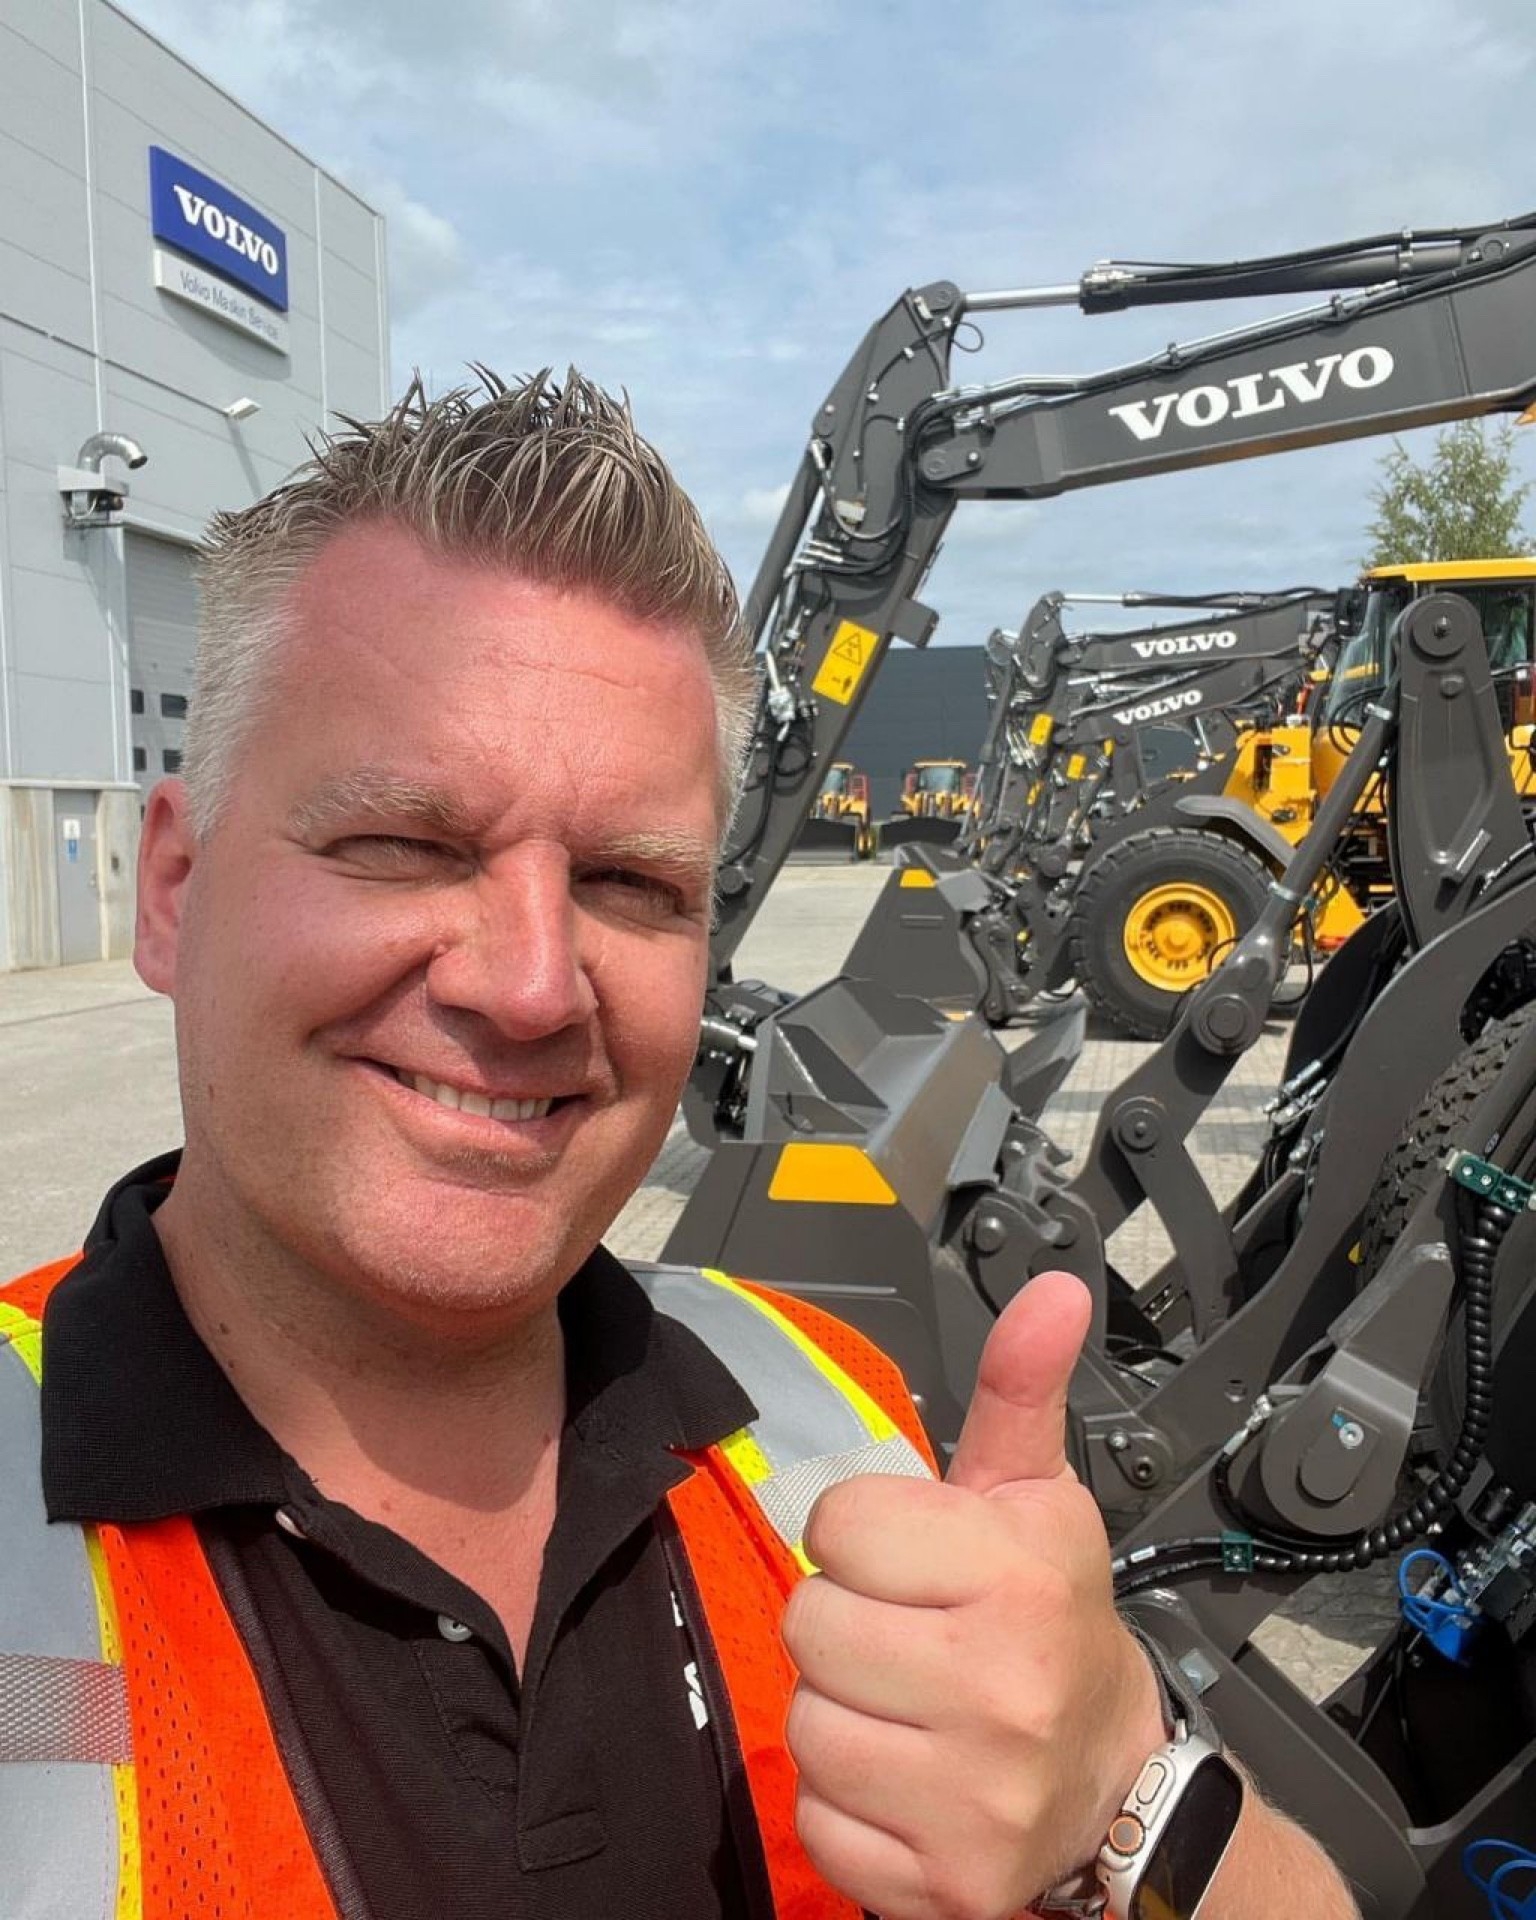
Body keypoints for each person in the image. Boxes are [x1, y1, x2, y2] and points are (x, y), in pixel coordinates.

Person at [0, 370, 1359, 1919]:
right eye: (405, 845)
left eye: (631, 885)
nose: (530, 986)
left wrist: (1127, 1791)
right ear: (173, 893)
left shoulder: (821, 1418)